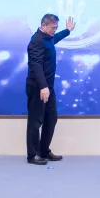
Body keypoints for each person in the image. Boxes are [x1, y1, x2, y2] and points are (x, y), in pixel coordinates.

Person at [26, 13, 75, 165]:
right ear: (44, 25)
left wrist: (67, 31)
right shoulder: (36, 41)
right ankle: (32, 155)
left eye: (56, 28)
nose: (55, 30)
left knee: (51, 118)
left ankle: (43, 151)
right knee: (35, 121)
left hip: (48, 87)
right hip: (38, 88)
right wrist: (43, 86)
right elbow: (36, 65)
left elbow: (55, 38)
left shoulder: (48, 38)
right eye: (53, 28)